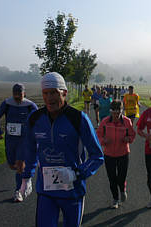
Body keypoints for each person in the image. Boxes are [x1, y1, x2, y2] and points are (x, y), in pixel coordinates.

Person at [20, 72, 104, 227]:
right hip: (46, 191)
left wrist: (77, 173)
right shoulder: (34, 118)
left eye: (53, 93)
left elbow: (97, 156)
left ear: (64, 93)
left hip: (72, 191)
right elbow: (30, 151)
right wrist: (26, 178)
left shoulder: (78, 118)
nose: (49, 98)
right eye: (45, 93)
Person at [0, 83, 38, 202]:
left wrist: (36, 134)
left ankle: (19, 191)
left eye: (20, 94)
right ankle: (24, 180)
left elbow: (39, 119)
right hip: (10, 140)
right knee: (12, 164)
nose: (17, 97)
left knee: (20, 165)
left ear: (24, 93)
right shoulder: (7, 104)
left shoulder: (30, 105)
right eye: (15, 94)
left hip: (24, 140)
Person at [96, 100, 136, 209]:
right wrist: (103, 141)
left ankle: (122, 189)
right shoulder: (105, 122)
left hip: (123, 153)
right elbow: (98, 135)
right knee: (112, 178)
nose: (116, 115)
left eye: (118, 113)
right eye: (114, 113)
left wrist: (128, 139)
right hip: (109, 154)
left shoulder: (127, 121)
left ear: (122, 111)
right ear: (110, 111)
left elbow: (132, 135)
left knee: (121, 177)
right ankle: (115, 199)